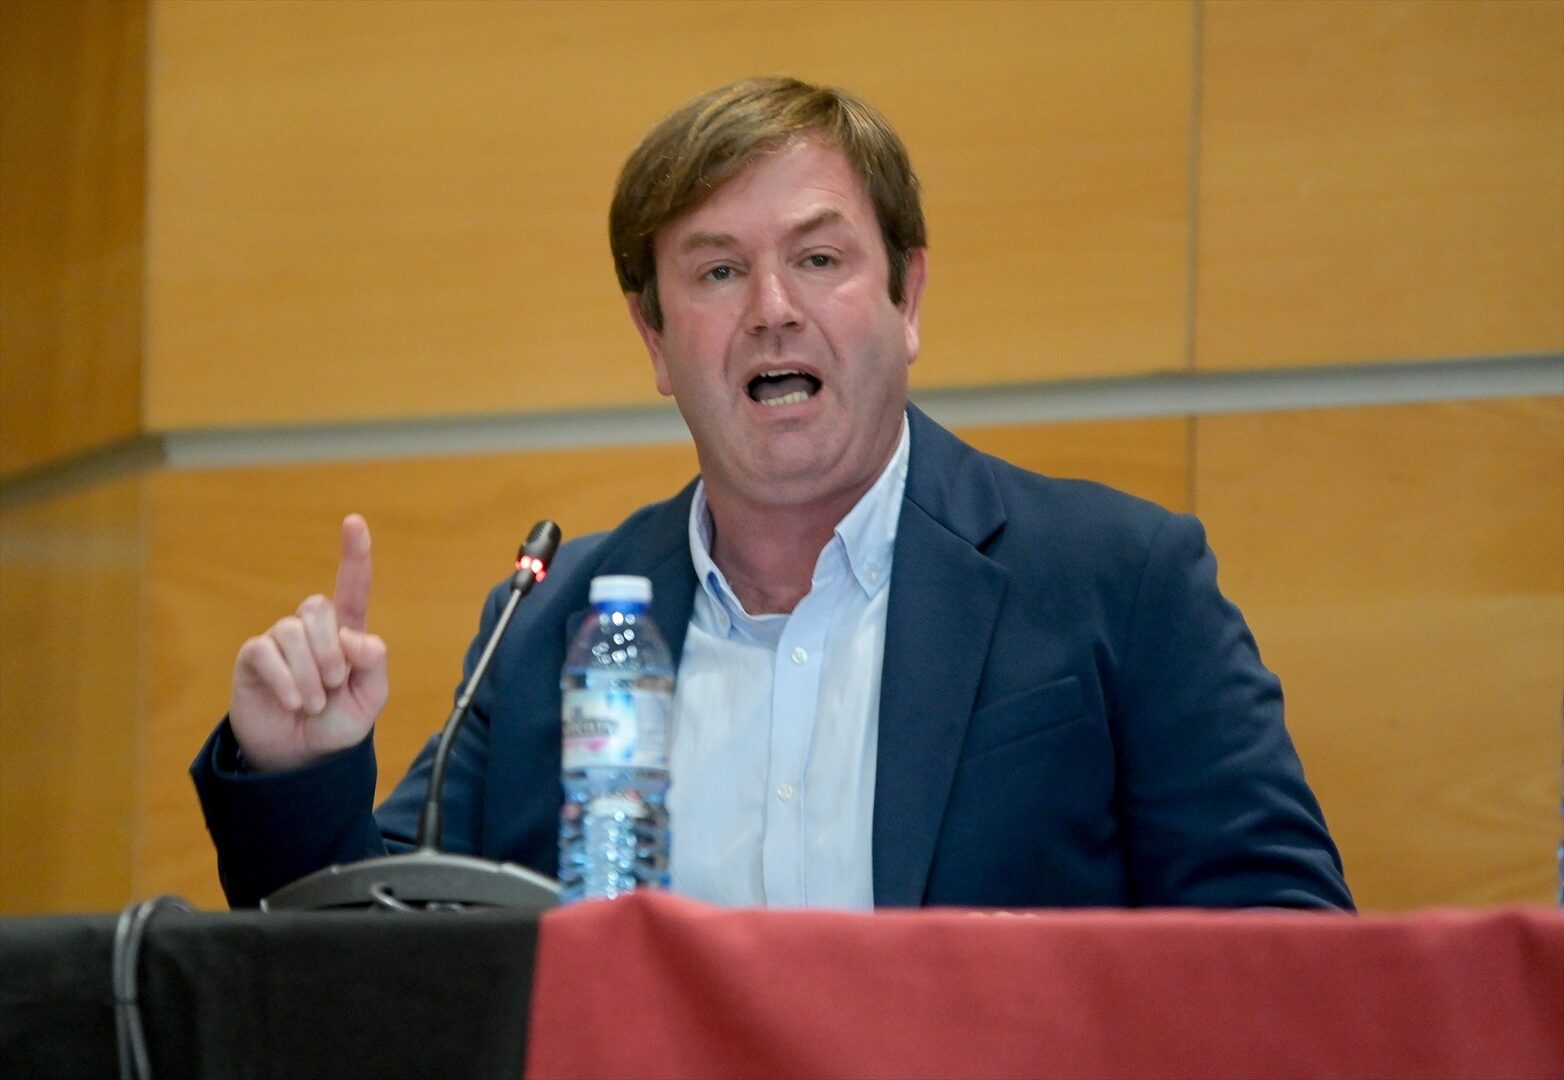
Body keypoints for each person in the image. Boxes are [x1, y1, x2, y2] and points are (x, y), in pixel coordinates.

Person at [193, 77, 1353, 911]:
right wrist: (300, 773)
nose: (771, 310)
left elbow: (1284, 953)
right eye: (715, 270)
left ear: (906, 299)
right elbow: (381, 969)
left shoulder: (1116, 580)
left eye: (818, 258)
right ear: (656, 339)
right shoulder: (550, 626)